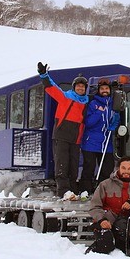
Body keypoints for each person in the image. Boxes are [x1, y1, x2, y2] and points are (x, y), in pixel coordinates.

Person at [37, 62, 88, 199]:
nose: (80, 88)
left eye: (83, 87)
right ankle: (63, 191)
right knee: (62, 164)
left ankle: (73, 191)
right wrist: (43, 74)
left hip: (76, 139)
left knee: (73, 166)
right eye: (78, 86)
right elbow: (51, 87)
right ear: (74, 87)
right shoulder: (65, 97)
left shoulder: (87, 103)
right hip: (62, 136)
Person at [87, 156, 130, 254]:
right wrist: (102, 220)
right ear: (118, 168)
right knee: (105, 246)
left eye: (129, 168)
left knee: (127, 249)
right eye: (123, 168)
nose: (126, 171)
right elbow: (94, 206)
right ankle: (90, 256)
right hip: (106, 222)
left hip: (125, 225)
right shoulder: (105, 185)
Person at [78, 78, 120, 194]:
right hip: (91, 142)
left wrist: (114, 122)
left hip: (106, 142)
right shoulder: (93, 104)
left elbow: (116, 120)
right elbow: (88, 123)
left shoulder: (113, 104)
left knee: (107, 167)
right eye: (102, 89)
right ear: (99, 90)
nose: (104, 91)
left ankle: (101, 191)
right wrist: (99, 113)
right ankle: (85, 191)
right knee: (89, 167)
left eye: (106, 88)